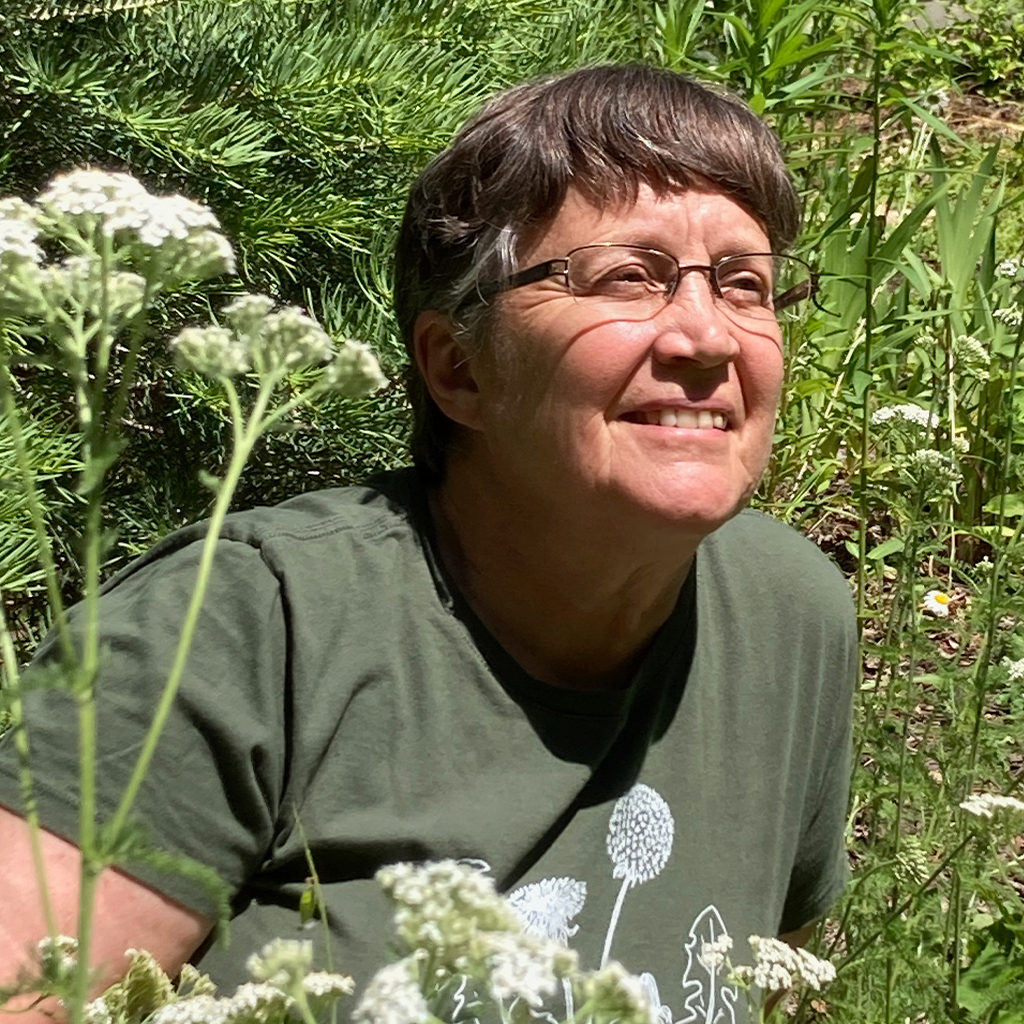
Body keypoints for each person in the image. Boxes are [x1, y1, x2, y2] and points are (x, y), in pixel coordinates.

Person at [0, 63, 856, 1023]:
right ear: (459, 368)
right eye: (629, 277)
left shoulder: (790, 617)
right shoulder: (244, 630)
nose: (708, 337)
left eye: (747, 286)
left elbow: (759, 981)